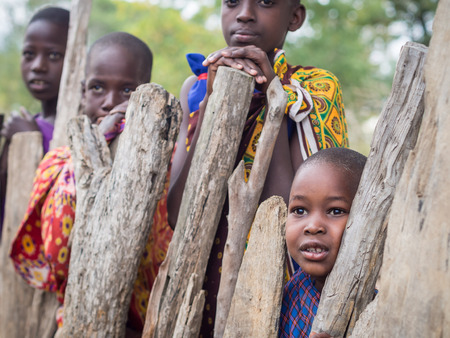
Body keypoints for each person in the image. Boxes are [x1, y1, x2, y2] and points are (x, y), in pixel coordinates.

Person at [167, 0, 349, 335]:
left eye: (265, 2)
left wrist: (272, 100)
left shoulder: (315, 89)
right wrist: (211, 105)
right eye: (231, 2)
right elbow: (179, 214)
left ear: (294, 17)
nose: (245, 13)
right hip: (199, 293)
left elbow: (286, 218)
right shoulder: (195, 90)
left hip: (272, 297)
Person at [9, 32, 172, 335]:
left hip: (156, 319)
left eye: (127, 90)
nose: (110, 102)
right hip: (83, 315)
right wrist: (97, 144)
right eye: (98, 88)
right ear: (83, 92)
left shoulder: (167, 153)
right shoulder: (59, 161)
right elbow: (56, 252)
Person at [279, 147, 367, 337]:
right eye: (300, 210)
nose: (312, 226)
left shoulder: (377, 306)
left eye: (335, 211)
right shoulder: (286, 298)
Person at [0, 6, 69, 238]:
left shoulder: (78, 128)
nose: (38, 65)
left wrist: (32, 142)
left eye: (53, 55)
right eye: (29, 54)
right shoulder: (26, 123)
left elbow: (65, 195)